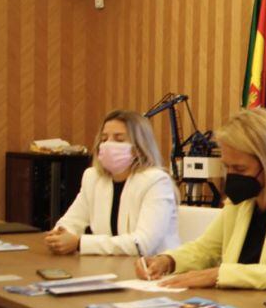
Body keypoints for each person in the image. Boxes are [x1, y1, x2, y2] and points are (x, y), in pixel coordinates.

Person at [136, 107, 266, 294]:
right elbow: (206, 249)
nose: (232, 176)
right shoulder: (242, 201)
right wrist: (167, 261)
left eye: (240, 169)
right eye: (227, 167)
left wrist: (219, 275)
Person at [46, 110, 178, 256]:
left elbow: (142, 244)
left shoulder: (156, 181)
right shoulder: (93, 177)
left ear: (139, 148)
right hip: (108, 266)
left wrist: (79, 243)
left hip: (152, 270)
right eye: (104, 138)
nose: (108, 144)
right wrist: (59, 236)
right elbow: (72, 221)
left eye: (119, 139)